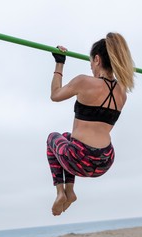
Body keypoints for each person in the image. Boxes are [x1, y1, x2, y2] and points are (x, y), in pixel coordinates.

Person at [47, 32, 134, 216]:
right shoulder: (122, 93)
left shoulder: (84, 82)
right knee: (66, 138)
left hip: (78, 158)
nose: (91, 69)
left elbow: (55, 95)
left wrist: (59, 63)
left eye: (91, 64)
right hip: (104, 161)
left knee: (52, 139)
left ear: (96, 59)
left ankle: (62, 191)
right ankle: (70, 192)